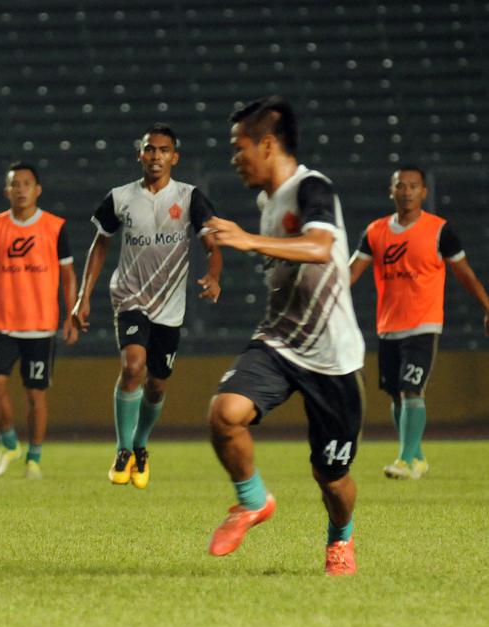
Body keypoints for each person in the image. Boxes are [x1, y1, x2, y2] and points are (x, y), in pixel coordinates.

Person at [204, 97, 365, 576]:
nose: (234, 158)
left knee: (331, 477)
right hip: (279, 342)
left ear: (268, 145)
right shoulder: (266, 202)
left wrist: (247, 240)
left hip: (332, 357)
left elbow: (320, 247)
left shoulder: (312, 188)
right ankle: (253, 501)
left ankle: (340, 539)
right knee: (224, 414)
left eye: (240, 148)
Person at [71, 124, 222, 488]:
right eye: (150, 149)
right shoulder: (120, 197)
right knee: (132, 366)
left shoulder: (190, 197)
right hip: (130, 296)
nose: (156, 156)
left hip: (170, 305)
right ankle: (123, 450)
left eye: (163, 150)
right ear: (139, 154)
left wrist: (214, 275)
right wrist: (83, 296)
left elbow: (213, 245)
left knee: (156, 385)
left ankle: (140, 445)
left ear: (175, 157)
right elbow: (100, 244)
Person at [350, 166, 489, 480]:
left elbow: (464, 273)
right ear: (392, 190)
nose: (407, 191)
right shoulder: (375, 231)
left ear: (424, 192)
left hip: (424, 324)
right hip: (388, 326)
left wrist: (487, 306)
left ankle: (404, 460)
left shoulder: (439, 230)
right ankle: (418, 458)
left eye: (414, 186)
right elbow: (351, 272)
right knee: (396, 393)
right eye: (401, 185)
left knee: (411, 390)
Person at [0, 162, 77, 479]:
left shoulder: (54, 227)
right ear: (7, 190)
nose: (21, 189)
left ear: (37, 190)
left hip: (40, 326)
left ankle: (34, 459)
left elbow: (68, 274)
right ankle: (10, 443)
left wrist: (70, 314)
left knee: (35, 395)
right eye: (15, 184)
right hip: (3, 323)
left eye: (27, 183)